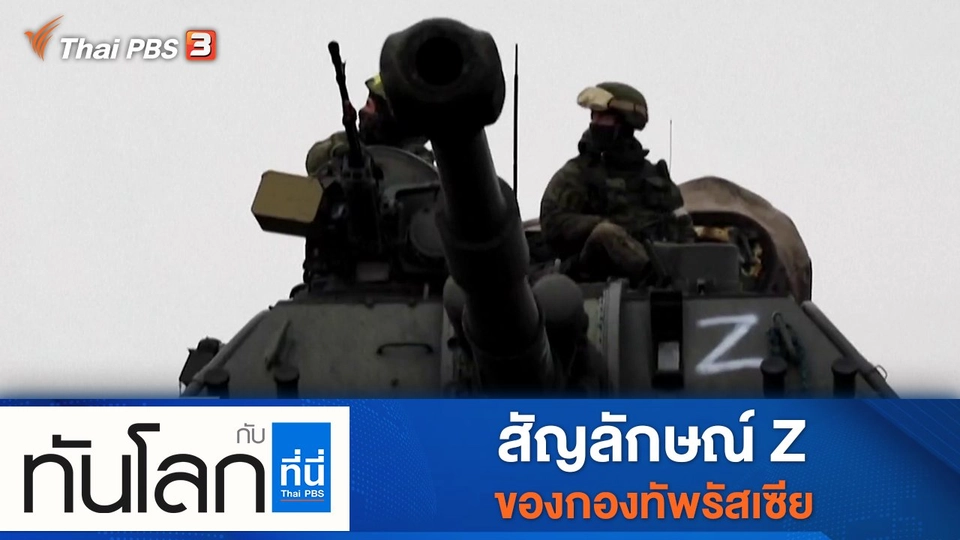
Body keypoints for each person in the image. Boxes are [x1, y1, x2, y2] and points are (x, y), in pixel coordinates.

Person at [539, 81, 696, 282]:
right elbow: (552, 222)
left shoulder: (654, 175)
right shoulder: (578, 172)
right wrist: (600, 224)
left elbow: (683, 225)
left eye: (603, 117)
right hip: (593, 269)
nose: (595, 123)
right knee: (606, 233)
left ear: (625, 124)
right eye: (594, 116)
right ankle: (655, 278)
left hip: (659, 259)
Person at [305, 73, 435, 177]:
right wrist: (341, 152)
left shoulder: (419, 163)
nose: (362, 111)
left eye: (371, 105)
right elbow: (314, 161)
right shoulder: (347, 141)